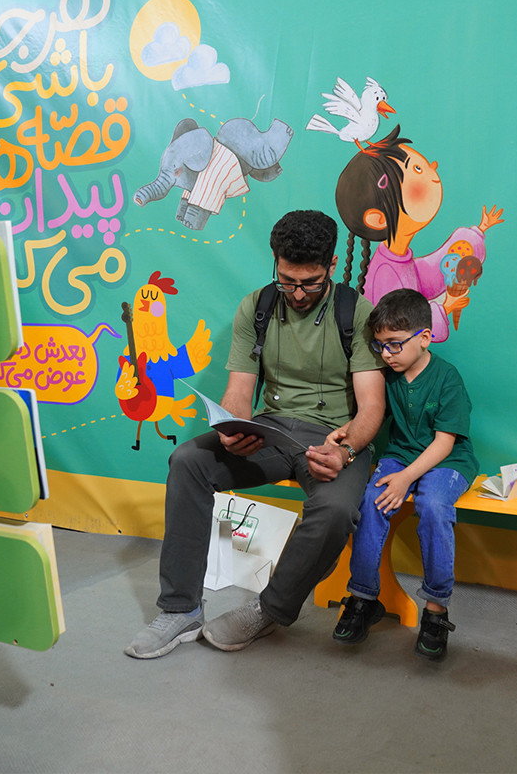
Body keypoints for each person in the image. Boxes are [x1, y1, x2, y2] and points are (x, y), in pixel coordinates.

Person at [125, 209, 386, 659]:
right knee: (188, 462)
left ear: (330, 266)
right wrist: (231, 428)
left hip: (334, 439)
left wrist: (345, 451)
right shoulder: (257, 307)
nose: (298, 293)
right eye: (288, 281)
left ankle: (269, 610)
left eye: (310, 283)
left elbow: (372, 406)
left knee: (337, 509)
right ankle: (180, 609)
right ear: (275, 264)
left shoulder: (355, 312)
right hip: (271, 430)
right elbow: (239, 391)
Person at [329, 288, 477, 660]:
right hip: (400, 455)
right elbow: (373, 414)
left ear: (424, 338)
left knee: (433, 506)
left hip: (447, 461)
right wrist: (344, 432)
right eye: (380, 346)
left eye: (395, 344)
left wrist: (406, 478)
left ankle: (436, 610)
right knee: (371, 500)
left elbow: (444, 443)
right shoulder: (388, 376)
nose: (386, 354)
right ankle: (362, 598)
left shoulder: (447, 378)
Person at [334, 125, 503, 342]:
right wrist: (446, 307)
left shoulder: (396, 260)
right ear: (379, 219)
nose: (433, 166)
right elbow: (399, 327)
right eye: (416, 170)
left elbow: (427, 275)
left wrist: (477, 232)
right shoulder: (386, 272)